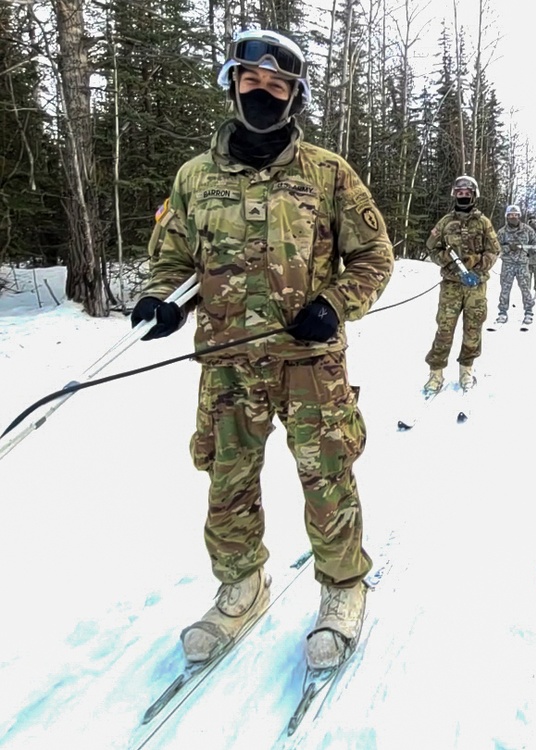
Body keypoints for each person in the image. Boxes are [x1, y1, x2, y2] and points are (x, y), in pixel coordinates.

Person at [130, 29, 395, 671]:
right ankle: (241, 585)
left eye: (278, 85)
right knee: (227, 480)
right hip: (226, 363)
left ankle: (341, 589)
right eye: (252, 81)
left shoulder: (329, 174)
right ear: (233, 85)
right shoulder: (195, 178)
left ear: (294, 96)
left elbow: (373, 256)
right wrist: (161, 300)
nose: (263, 92)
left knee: (327, 475)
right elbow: (171, 261)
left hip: (311, 365)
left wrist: (334, 303)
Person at [423, 175, 500, 392]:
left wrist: (478, 264)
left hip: (475, 284)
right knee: (444, 328)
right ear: (454, 195)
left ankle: (467, 370)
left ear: (473, 195)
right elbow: (431, 248)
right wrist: (447, 260)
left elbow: (494, 250)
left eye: (467, 193)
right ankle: (435, 374)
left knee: (473, 328)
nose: (463, 196)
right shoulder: (445, 222)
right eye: (460, 193)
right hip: (451, 286)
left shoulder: (483, 222)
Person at [495, 204, 536, 326]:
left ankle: (528, 312)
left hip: (523, 265)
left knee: (525, 289)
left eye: (515, 215)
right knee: (505, 289)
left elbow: (535, 242)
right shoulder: (502, 232)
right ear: (507, 217)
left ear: (519, 216)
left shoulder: (527, 229)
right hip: (508, 265)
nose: (513, 217)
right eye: (510, 215)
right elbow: (496, 248)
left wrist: (531, 251)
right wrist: (509, 247)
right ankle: (502, 313)